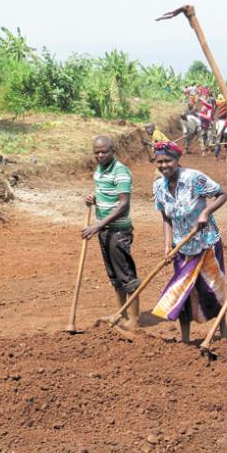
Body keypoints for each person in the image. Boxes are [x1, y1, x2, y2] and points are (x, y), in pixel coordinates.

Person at [150, 141, 227, 343]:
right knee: (183, 293)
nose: (164, 165)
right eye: (160, 162)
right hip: (182, 247)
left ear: (177, 160)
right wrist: (168, 245)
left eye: (168, 160)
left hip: (206, 242)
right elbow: (166, 218)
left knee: (212, 289)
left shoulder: (194, 178)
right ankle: (185, 340)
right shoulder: (158, 186)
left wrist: (206, 212)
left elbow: (222, 194)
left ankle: (224, 332)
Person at [82, 136, 140, 330]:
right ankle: (121, 314)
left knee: (127, 276)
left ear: (112, 150)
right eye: (96, 152)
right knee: (114, 277)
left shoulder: (120, 171)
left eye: (103, 151)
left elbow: (123, 205)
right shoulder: (99, 170)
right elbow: (106, 195)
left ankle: (134, 320)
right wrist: (94, 198)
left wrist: (97, 226)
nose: (100, 155)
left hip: (119, 231)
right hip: (105, 230)